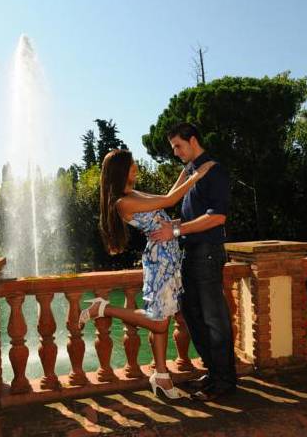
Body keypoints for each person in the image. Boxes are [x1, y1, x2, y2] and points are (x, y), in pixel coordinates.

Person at [78, 148, 215, 400]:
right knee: (159, 322)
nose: (136, 167)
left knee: (162, 318)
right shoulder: (123, 202)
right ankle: (104, 308)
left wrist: (186, 170)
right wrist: (198, 175)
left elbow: (166, 196)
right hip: (159, 258)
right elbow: (170, 201)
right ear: (121, 170)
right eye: (131, 165)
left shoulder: (133, 194)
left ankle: (161, 376)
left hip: (168, 255)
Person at [149, 122, 237, 401]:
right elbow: (184, 213)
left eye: (178, 145)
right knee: (193, 316)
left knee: (214, 319)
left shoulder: (215, 170)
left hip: (208, 253)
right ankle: (214, 373)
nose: (175, 152)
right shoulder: (191, 172)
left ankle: (225, 381)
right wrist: (170, 227)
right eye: (173, 147)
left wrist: (175, 231)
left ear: (193, 140)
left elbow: (217, 217)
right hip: (190, 253)